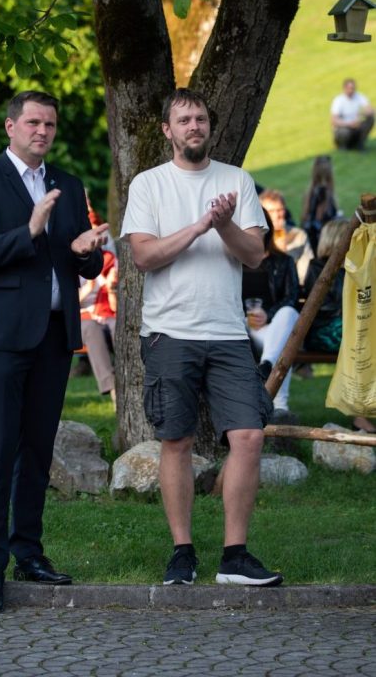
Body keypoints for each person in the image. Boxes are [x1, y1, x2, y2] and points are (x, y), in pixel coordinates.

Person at [121, 87, 282, 588]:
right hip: (169, 333)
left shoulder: (236, 180)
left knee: (249, 436)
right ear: (167, 131)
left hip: (228, 333)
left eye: (201, 119)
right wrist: (200, 226)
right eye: (184, 120)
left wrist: (225, 223)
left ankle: (235, 556)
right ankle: (182, 552)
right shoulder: (148, 184)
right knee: (177, 440)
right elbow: (144, 256)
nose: (195, 126)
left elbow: (254, 255)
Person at [0, 90, 108, 614]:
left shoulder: (68, 183)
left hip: (53, 337)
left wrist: (87, 253)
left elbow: (84, 263)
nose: (42, 131)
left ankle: (28, 553)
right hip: (0, 340)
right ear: (11, 126)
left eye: (50, 124)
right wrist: (29, 230)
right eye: (33, 123)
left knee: (38, 452)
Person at [303, 219, 375, 434]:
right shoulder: (319, 268)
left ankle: (362, 411)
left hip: (349, 329)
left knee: (363, 340)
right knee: (360, 342)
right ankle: (359, 416)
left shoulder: (355, 266)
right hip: (324, 331)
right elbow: (322, 308)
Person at [242, 209, 300, 420]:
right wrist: (246, 316)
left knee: (288, 313)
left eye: (259, 230)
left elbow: (292, 297)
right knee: (283, 345)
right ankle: (280, 406)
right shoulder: (233, 263)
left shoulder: (283, 261)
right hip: (244, 329)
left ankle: (266, 364)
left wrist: (268, 314)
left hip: (274, 327)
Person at [79, 248, 118, 403]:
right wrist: (88, 289)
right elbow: (67, 303)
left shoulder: (109, 260)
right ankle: (112, 387)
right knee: (91, 328)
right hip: (83, 316)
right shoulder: (71, 261)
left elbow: (115, 308)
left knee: (117, 326)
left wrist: (111, 289)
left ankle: (128, 374)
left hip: (106, 314)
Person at [259, 188, 312, 284]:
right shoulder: (257, 237)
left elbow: (305, 273)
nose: (276, 216)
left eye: (279, 210)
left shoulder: (299, 236)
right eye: (271, 211)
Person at [300, 156, 338, 256]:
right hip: (320, 245)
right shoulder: (323, 193)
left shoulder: (312, 191)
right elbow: (319, 221)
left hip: (310, 241)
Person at [331, 78, 374, 151]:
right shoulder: (338, 100)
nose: (351, 90)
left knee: (370, 119)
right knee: (344, 132)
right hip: (344, 126)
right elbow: (334, 120)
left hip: (356, 124)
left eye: (353, 88)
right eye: (349, 88)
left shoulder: (359, 97)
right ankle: (343, 146)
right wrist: (349, 124)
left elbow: (370, 109)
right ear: (344, 88)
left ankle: (359, 143)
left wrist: (361, 115)